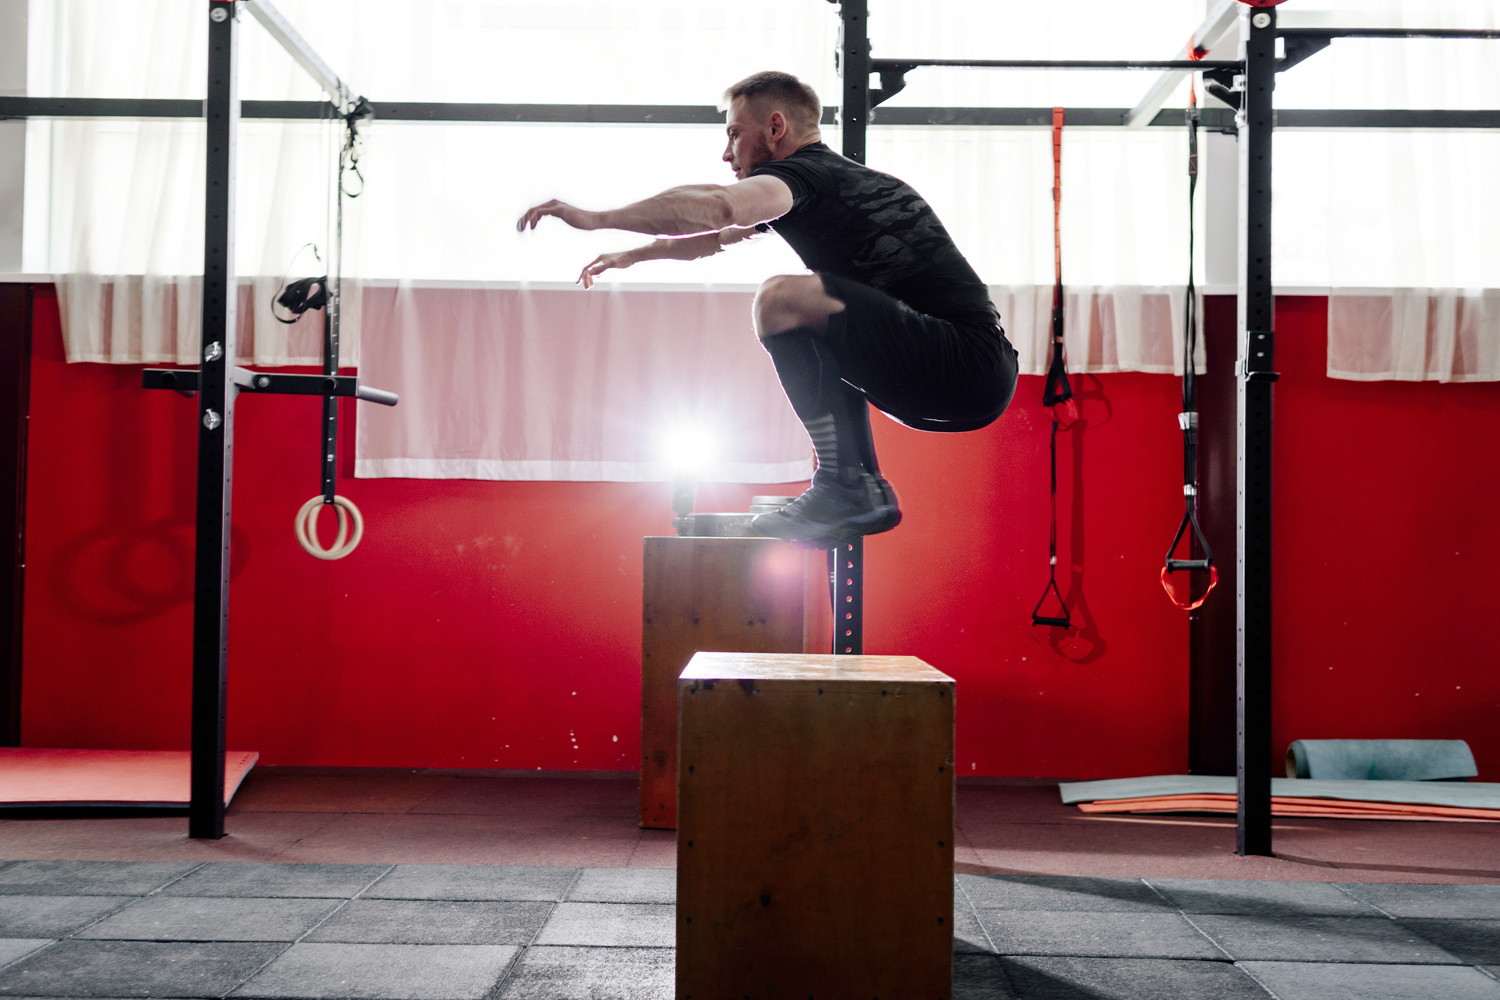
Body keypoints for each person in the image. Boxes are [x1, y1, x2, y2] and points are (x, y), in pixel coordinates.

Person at [517, 70, 1018, 547]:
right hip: (959, 381)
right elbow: (714, 237)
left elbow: (720, 205)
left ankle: (846, 486)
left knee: (780, 299)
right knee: (812, 320)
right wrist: (630, 256)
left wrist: (596, 217)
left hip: (965, 361)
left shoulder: (805, 174)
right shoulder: (822, 188)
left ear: (774, 127)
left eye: (734, 133)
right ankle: (852, 488)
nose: (726, 152)